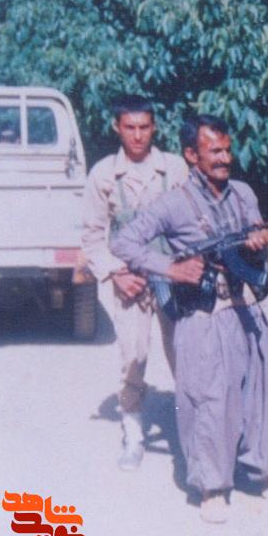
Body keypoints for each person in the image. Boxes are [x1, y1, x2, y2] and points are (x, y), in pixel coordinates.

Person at [111, 114, 268, 523]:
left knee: (260, 390)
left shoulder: (242, 193)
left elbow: (256, 241)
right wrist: (170, 268)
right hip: (202, 314)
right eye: (214, 151)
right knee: (208, 400)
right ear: (191, 155)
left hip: (244, 306)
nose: (224, 158)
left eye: (227, 150)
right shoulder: (173, 203)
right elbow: (124, 242)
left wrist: (257, 242)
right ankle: (212, 487)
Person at [81, 95, 188, 471]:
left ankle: (192, 434)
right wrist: (115, 273)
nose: (138, 136)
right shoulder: (104, 175)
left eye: (144, 127)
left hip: (173, 277)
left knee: (185, 355)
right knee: (133, 357)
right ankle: (134, 434)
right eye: (130, 128)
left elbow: (193, 221)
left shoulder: (174, 168)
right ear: (117, 127)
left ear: (154, 127)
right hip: (131, 279)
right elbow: (93, 237)